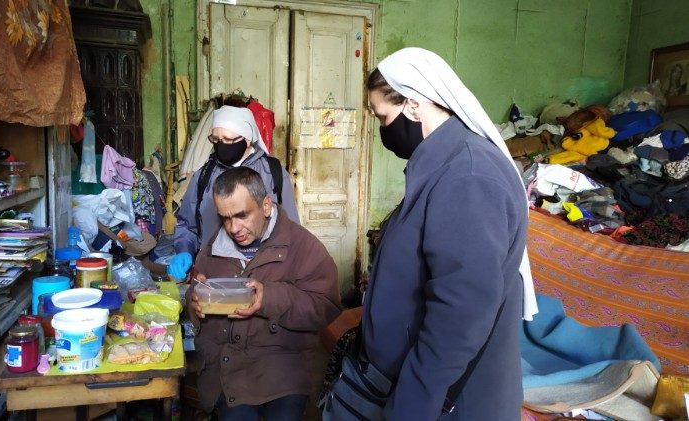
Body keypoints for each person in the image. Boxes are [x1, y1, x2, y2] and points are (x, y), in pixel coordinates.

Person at [329, 47, 538, 420]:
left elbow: (459, 316)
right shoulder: (444, 164)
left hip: (442, 400)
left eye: (383, 117)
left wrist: (411, 407)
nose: (382, 131)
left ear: (413, 105)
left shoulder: (468, 177)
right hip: (403, 382)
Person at [188, 166, 341, 420]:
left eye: (241, 215)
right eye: (225, 217)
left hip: (282, 369)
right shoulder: (215, 247)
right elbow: (196, 290)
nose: (233, 227)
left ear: (266, 206)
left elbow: (326, 305)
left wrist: (268, 299)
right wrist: (195, 298)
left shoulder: (303, 246)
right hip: (228, 368)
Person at [168, 105, 300, 281]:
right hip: (214, 275)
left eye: (228, 140)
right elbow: (187, 225)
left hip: (265, 275)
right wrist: (185, 250)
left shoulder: (273, 173)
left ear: (247, 138)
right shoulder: (204, 176)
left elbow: (291, 228)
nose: (221, 145)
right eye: (215, 140)